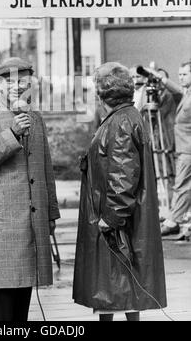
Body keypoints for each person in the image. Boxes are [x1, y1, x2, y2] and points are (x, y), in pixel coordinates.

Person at [0, 57, 60, 321]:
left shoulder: (35, 118)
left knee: (20, 315)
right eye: (10, 81)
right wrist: (12, 133)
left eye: (23, 80)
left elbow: (45, 169)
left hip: (30, 229)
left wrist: (51, 214)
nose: (17, 86)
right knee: (0, 313)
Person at [73, 62, 167, 321]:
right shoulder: (125, 117)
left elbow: (123, 175)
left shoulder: (120, 122)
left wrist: (110, 219)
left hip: (116, 221)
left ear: (103, 93)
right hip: (121, 217)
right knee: (123, 289)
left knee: (113, 286)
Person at [147, 62, 191, 236]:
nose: (180, 78)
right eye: (179, 74)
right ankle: (177, 220)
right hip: (183, 147)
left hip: (188, 149)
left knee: (181, 185)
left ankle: (173, 221)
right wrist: (160, 78)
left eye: (185, 74)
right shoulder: (186, 93)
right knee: (184, 185)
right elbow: (177, 90)